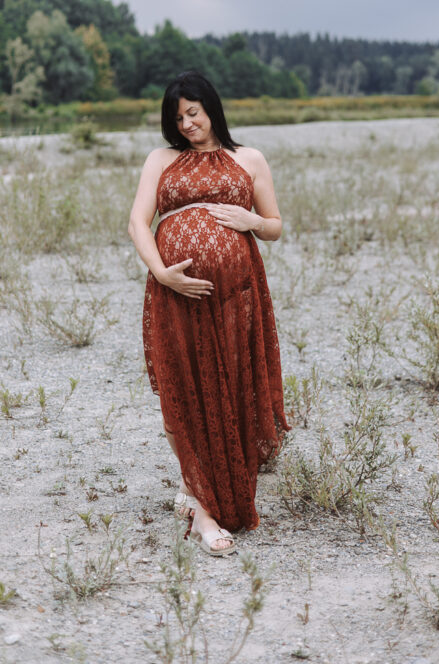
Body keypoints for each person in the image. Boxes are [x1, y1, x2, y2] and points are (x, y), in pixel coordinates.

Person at [128, 70, 289, 557]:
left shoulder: (249, 158)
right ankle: (203, 511)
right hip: (176, 293)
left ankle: (206, 489)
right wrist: (163, 273)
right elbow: (138, 222)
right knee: (184, 388)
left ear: (212, 108)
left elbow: (275, 226)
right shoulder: (161, 159)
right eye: (178, 118)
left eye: (193, 113)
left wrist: (251, 219)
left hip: (237, 296)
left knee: (233, 389)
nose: (186, 125)